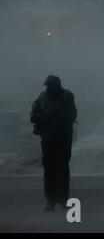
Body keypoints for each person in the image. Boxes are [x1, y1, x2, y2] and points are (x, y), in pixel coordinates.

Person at [30, 75, 77, 212]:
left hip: (63, 138)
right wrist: (37, 118)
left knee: (62, 169)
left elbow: (69, 115)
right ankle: (50, 200)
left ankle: (63, 200)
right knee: (49, 170)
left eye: (49, 86)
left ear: (56, 86)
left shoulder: (67, 96)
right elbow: (34, 110)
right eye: (46, 86)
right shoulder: (43, 96)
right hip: (47, 138)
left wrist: (43, 118)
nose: (47, 89)